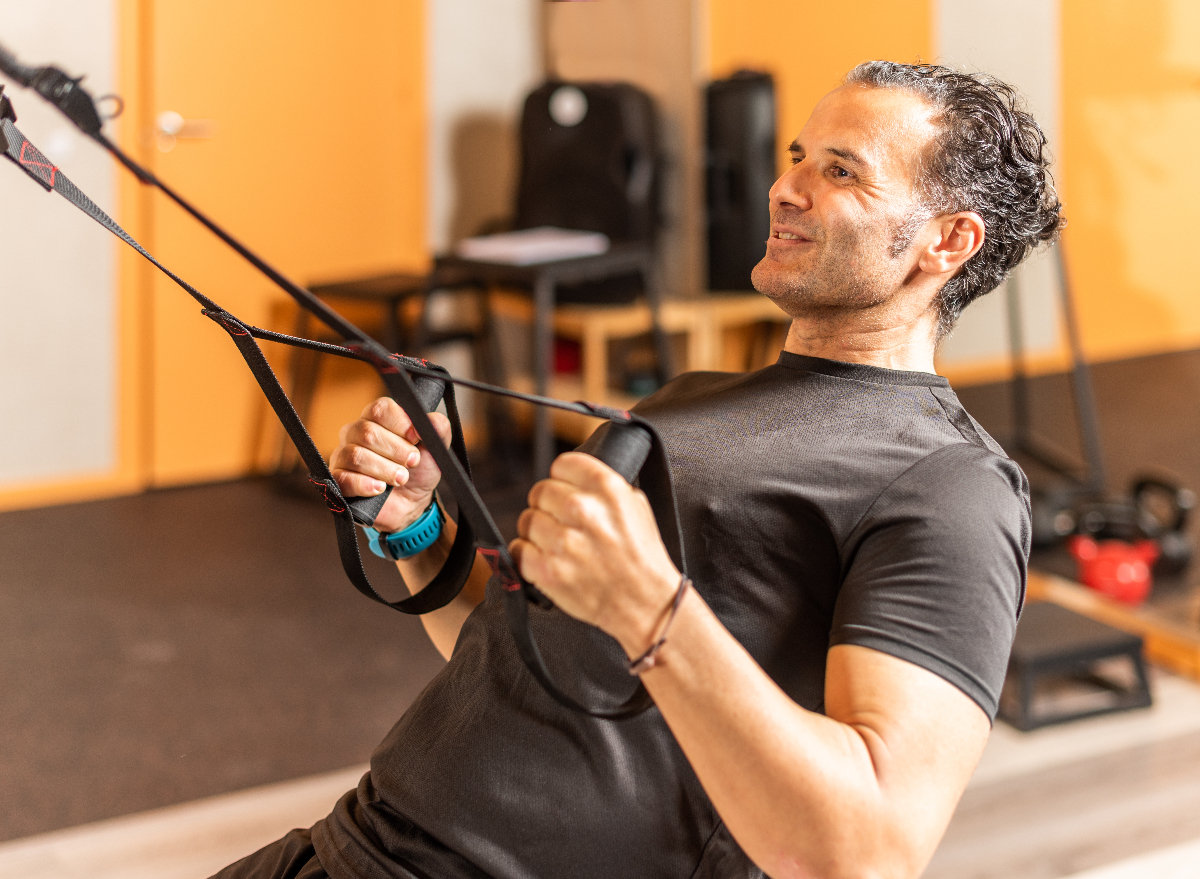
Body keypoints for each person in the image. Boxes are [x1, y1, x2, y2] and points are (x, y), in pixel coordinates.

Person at [216, 61, 1062, 879]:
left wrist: (650, 604)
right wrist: (418, 525)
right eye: (797, 155)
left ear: (947, 241)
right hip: (350, 843)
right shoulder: (687, 401)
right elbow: (520, 654)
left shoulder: (951, 483)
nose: (785, 187)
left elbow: (870, 847)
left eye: (842, 170)